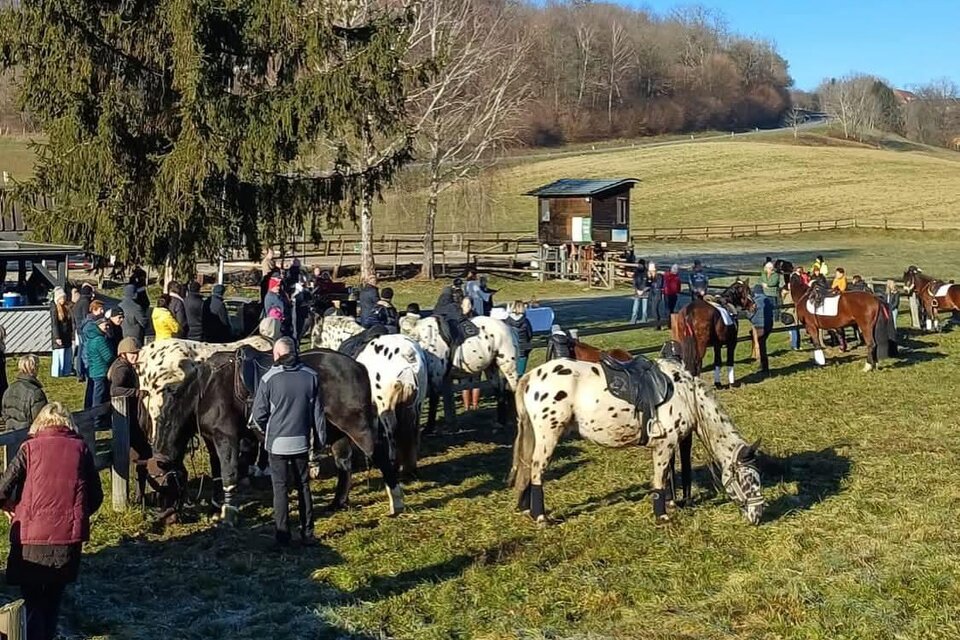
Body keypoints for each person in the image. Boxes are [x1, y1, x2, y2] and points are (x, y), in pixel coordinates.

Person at [0, 402, 103, 640]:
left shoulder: (28, 449)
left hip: (30, 540)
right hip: (66, 542)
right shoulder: (81, 449)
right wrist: (75, 516)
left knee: (32, 601)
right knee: (53, 600)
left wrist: (9, 507)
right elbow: (96, 496)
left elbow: (3, 488)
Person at [251, 338, 324, 547]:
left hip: (276, 444)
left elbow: (258, 415)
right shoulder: (312, 376)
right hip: (301, 442)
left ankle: (283, 535)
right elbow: (318, 415)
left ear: (277, 355)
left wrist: (266, 431)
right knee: (303, 486)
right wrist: (320, 442)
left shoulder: (269, 378)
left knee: (280, 489)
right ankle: (308, 532)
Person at [108, 337, 152, 470]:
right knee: (142, 448)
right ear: (123, 354)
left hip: (129, 413)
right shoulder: (122, 369)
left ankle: (140, 476)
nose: (135, 356)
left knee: (140, 448)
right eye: (132, 354)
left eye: (137, 353)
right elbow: (115, 390)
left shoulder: (126, 365)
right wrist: (136, 392)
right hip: (125, 414)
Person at [2, 355, 48, 430]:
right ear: (34, 368)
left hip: (11, 432)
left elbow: (4, 412)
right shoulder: (35, 393)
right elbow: (41, 419)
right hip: (28, 433)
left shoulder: (9, 389)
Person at [82, 315, 114, 418]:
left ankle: (93, 415)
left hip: (93, 370)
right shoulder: (100, 339)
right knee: (99, 396)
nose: (107, 327)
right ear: (98, 325)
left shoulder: (90, 337)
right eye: (105, 325)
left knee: (94, 394)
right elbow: (108, 357)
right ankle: (97, 417)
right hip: (101, 370)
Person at [750, 285, 774, 377]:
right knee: (763, 345)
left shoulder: (754, 301)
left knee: (762, 346)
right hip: (769, 325)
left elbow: (750, 314)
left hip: (759, 326)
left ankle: (765, 368)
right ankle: (763, 365)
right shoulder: (768, 300)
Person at [50, 288, 74, 378]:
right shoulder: (54, 309)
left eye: (64, 297)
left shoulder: (67, 307)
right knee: (59, 354)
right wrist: (57, 337)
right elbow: (54, 324)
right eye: (62, 297)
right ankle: (57, 373)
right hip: (59, 335)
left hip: (66, 334)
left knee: (67, 353)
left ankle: (67, 371)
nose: (64, 299)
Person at [72, 285, 93, 382]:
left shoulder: (78, 302)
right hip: (83, 329)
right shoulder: (85, 302)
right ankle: (81, 372)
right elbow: (86, 317)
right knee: (82, 351)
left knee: (80, 350)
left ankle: (79, 372)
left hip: (78, 328)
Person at [506, 300, 533, 376]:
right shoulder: (525, 321)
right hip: (524, 347)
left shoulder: (507, 321)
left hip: (511, 347)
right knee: (521, 370)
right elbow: (530, 334)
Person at [643, 262, 665, 329]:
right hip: (652, 293)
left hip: (657, 294)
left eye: (652, 270)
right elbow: (647, 284)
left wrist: (652, 279)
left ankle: (657, 325)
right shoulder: (649, 276)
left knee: (655, 309)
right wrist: (649, 278)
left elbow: (659, 285)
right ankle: (657, 323)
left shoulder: (659, 276)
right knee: (653, 309)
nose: (650, 271)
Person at [629, 259, 647, 324]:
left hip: (645, 292)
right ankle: (633, 319)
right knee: (635, 307)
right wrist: (637, 289)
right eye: (639, 264)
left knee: (644, 309)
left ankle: (644, 319)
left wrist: (643, 290)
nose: (640, 266)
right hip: (637, 291)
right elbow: (634, 282)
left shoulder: (646, 272)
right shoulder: (636, 272)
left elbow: (648, 283)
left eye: (641, 264)